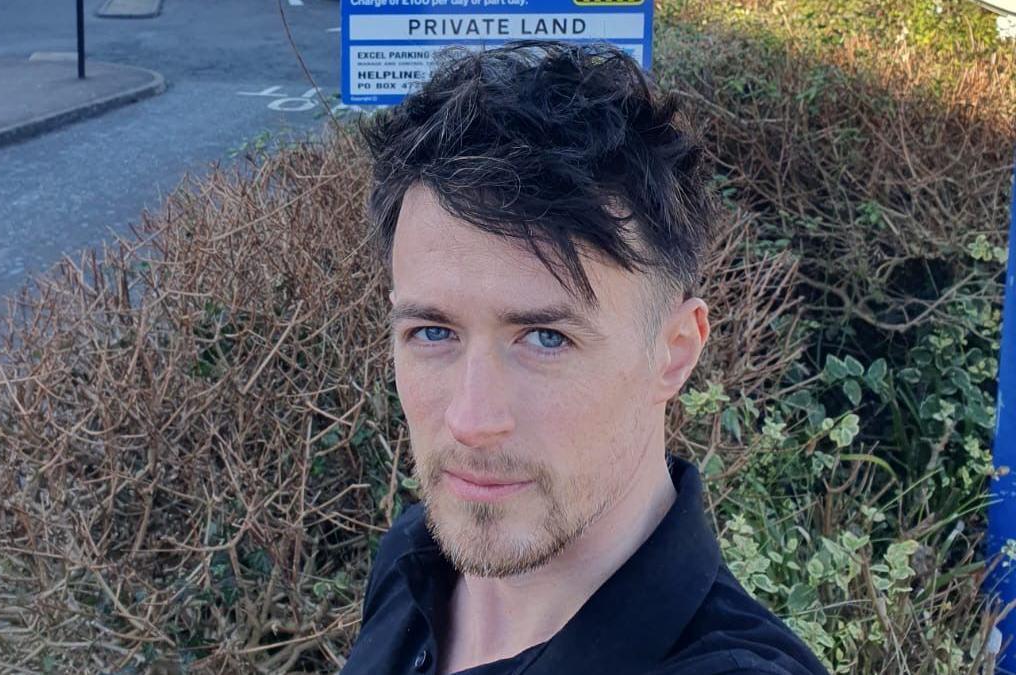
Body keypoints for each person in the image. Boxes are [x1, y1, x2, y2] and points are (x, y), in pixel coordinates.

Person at [340, 40, 828, 675]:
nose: (471, 419)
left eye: (546, 338)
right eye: (433, 332)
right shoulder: (413, 559)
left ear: (674, 353)